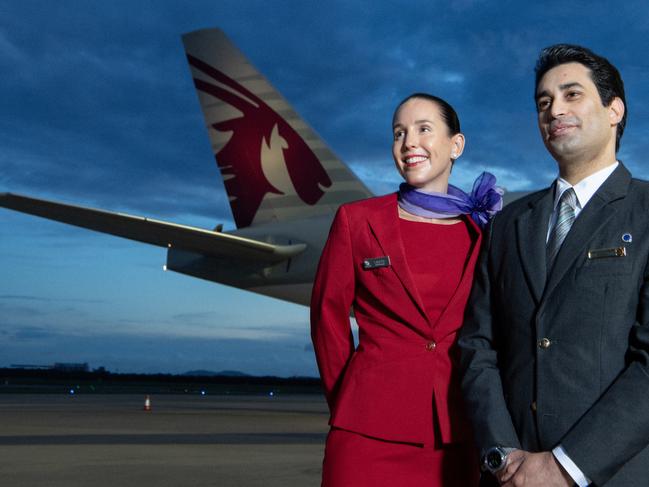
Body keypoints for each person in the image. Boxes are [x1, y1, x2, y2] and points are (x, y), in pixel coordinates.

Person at [459, 44, 649, 487]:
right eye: (543, 102)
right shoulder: (507, 224)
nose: (553, 110)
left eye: (571, 95)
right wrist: (503, 455)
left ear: (614, 109)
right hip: (511, 474)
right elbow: (478, 348)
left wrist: (564, 466)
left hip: (611, 474)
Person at [311, 93, 502, 486]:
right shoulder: (357, 221)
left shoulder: (485, 234)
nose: (409, 142)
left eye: (423, 129)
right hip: (366, 432)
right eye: (399, 133)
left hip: (456, 436)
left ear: (456, 145)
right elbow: (327, 317)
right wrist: (350, 398)